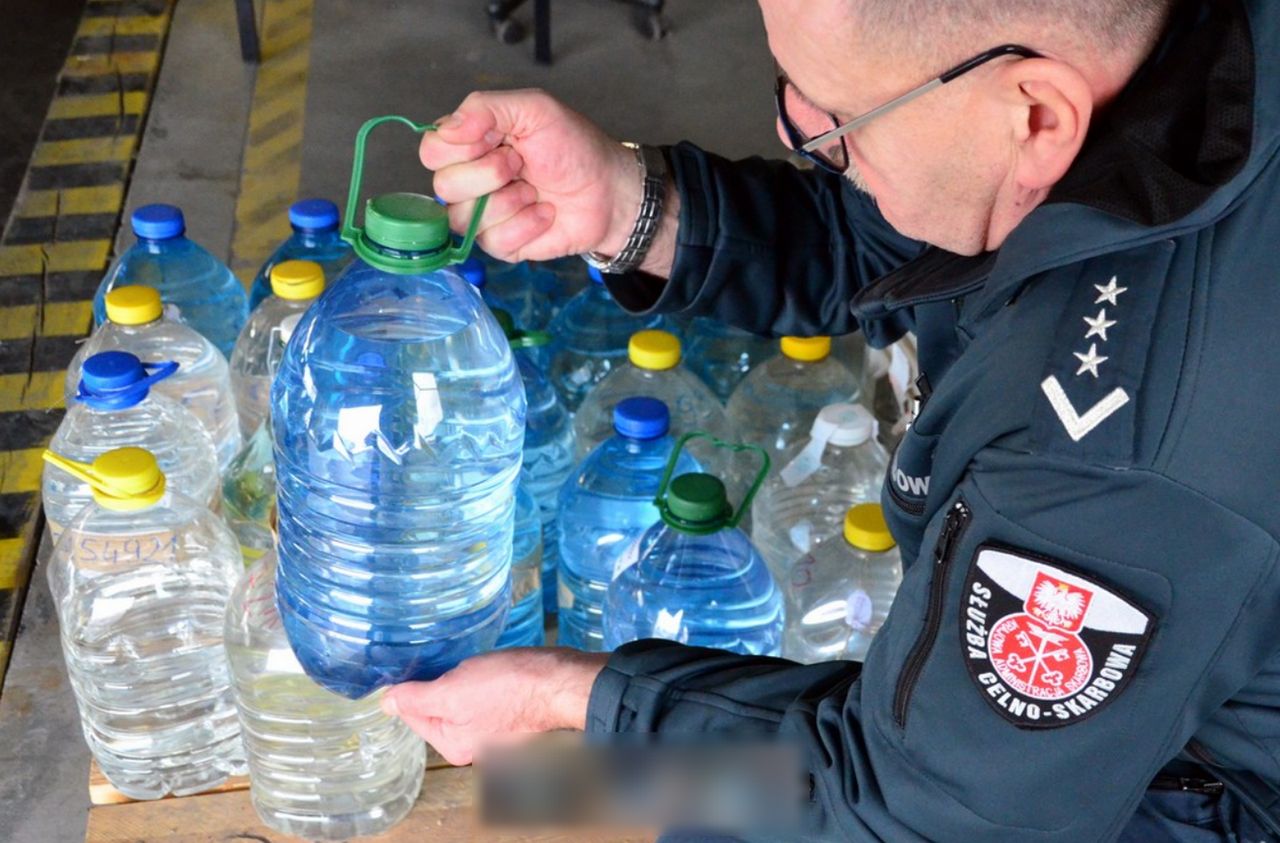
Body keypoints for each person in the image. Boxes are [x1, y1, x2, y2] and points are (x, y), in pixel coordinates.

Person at [381, 0, 1280, 839]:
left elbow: (907, 812)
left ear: (1038, 114)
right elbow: (928, 234)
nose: (795, 133)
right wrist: (633, 207)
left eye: (837, 120)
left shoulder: (1120, 468)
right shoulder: (1194, 61)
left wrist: (569, 699)